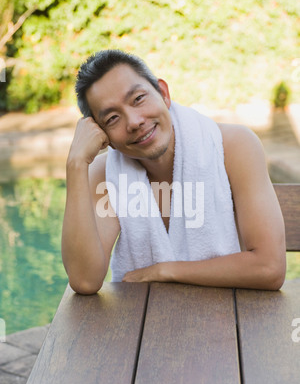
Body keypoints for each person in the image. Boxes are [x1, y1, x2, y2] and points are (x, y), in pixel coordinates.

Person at [61, 49, 286, 294]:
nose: (134, 121)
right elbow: (84, 281)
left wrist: (165, 271)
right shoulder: (105, 174)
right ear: (105, 137)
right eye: (113, 118)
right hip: (141, 321)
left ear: (164, 94)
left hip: (231, 317)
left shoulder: (234, 148)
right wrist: (76, 164)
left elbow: (269, 268)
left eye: (138, 99)